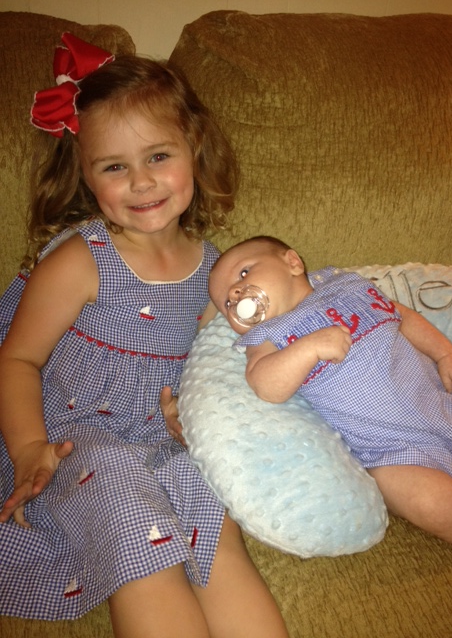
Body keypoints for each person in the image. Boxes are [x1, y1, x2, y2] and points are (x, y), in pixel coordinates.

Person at [0, 34, 289, 638]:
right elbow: (18, 359)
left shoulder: (218, 270)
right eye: (114, 167)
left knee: (215, 529)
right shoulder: (81, 260)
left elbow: (217, 367)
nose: (141, 181)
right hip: (79, 440)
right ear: (85, 175)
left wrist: (197, 414)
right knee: (139, 535)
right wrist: (29, 449)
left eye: (158, 156)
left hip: (168, 440)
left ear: (194, 148)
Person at [208, 235, 452, 551]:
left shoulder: (346, 288)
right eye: (226, 303)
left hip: (450, 408)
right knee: (430, 503)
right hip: (396, 452)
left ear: (292, 263)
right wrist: (308, 348)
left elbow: (401, 316)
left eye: (244, 273)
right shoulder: (266, 336)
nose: (235, 293)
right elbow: (265, 384)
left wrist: (444, 353)